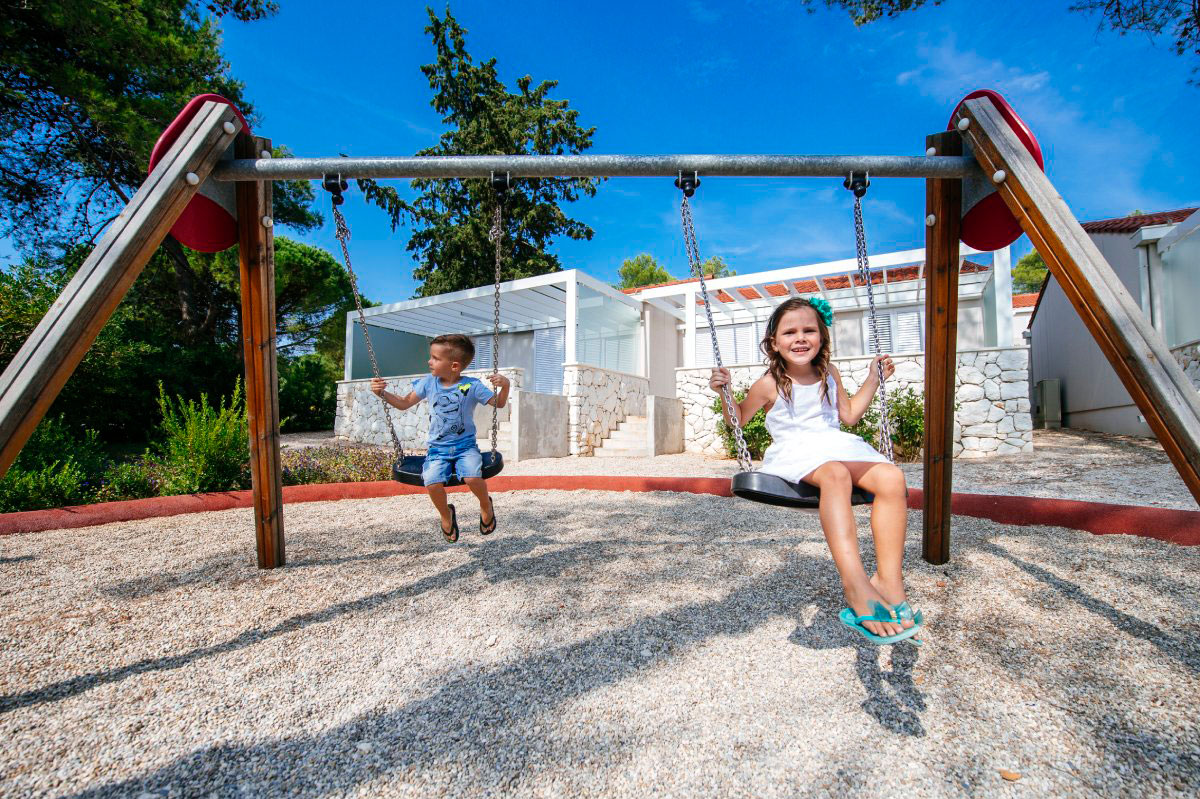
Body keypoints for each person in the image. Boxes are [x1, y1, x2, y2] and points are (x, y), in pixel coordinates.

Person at [710, 297, 922, 645]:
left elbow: (850, 416)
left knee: (892, 478)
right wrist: (724, 392)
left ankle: (889, 582)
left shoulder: (829, 373)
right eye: (790, 331)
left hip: (834, 442)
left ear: (822, 337)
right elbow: (738, 419)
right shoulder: (769, 383)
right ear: (774, 342)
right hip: (796, 450)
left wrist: (873, 378)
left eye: (809, 330)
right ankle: (855, 584)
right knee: (835, 474)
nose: (800, 337)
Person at [371, 334, 510, 543]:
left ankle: (485, 504)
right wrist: (382, 394)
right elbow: (403, 403)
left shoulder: (471, 386)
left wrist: (505, 385)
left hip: (465, 447)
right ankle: (446, 514)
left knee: (473, 476)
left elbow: (498, 403)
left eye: (435, 358)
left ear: (454, 366)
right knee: (432, 481)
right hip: (438, 449)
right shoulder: (429, 383)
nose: (429, 361)